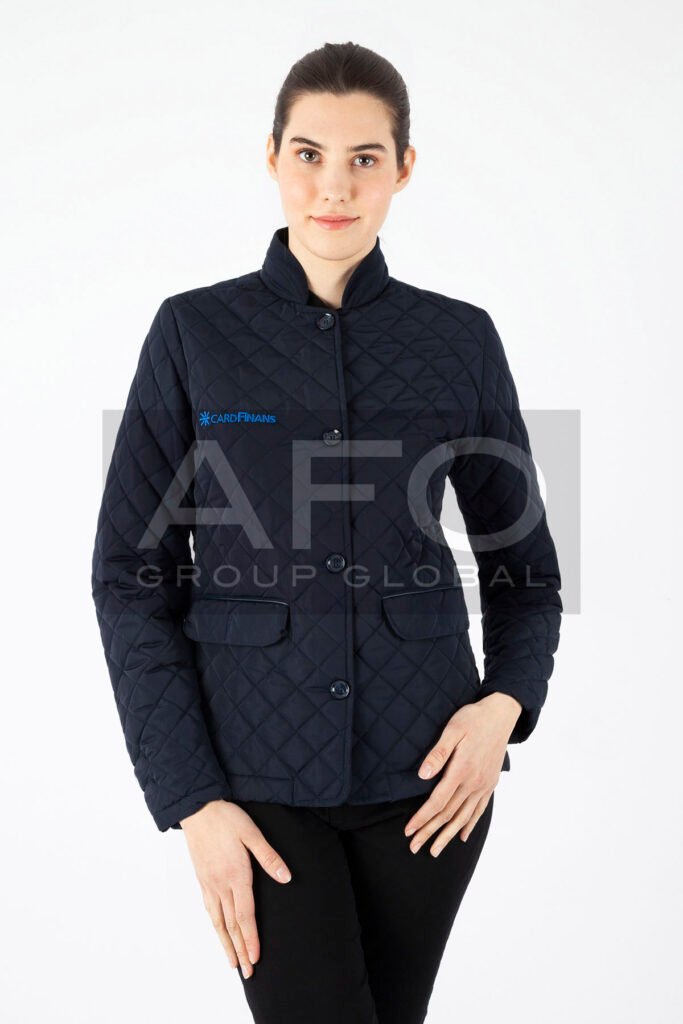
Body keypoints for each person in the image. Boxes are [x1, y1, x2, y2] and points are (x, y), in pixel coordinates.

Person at [91, 41, 562, 1024]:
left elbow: (522, 565)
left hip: (428, 784)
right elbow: (130, 576)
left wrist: (504, 706)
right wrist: (190, 798)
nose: (333, 186)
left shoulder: (458, 339)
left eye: (363, 158)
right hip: (253, 784)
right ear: (271, 158)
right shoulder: (193, 334)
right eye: (308, 154)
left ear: (403, 168)